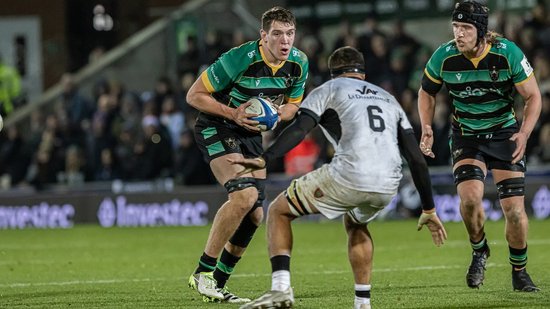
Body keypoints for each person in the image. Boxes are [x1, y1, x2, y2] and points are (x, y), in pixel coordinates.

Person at [230, 46, 447, 309]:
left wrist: (266, 157)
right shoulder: (388, 99)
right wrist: (429, 208)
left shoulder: (328, 90)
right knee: (356, 223)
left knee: (278, 211)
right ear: (363, 75)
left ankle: (280, 289)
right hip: (388, 183)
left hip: (350, 174)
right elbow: (415, 158)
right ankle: (362, 304)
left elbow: (300, 128)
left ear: (333, 74)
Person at [186, 6, 309, 304]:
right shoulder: (238, 59)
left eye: (290, 34)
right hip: (218, 125)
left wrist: (280, 114)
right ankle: (202, 273)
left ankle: (216, 282)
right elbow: (194, 95)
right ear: (263, 36)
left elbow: (294, 104)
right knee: (242, 198)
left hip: (251, 132)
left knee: (255, 213)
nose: (285, 41)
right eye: (277, 34)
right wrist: (233, 113)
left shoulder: (298, 62)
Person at [417, 1, 541, 292]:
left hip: (503, 134)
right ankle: (479, 250)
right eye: (456, 27)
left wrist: (524, 133)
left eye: (466, 28)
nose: (458, 34)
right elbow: (426, 92)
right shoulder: (443, 57)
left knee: (514, 211)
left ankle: (519, 271)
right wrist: (426, 125)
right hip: (467, 136)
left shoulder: (507, 53)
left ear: (481, 31)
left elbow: (533, 97)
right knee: (470, 200)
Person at [0, 52, 22, 117]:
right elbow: (17, 88)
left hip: (5, 105)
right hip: (9, 105)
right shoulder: (10, 71)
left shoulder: (7, 72)